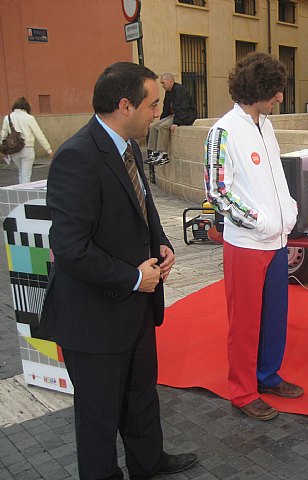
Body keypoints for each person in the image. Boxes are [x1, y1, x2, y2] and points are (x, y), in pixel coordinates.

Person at [39, 62, 197, 479]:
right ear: (125, 105)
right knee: (98, 415)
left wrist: (159, 242)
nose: (156, 113)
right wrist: (132, 277)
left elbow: (141, 207)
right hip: (95, 316)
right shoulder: (77, 157)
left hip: (136, 309)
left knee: (141, 396)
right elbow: (71, 249)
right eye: (152, 104)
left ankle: (149, 462)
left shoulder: (130, 146)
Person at [204, 52, 302, 421]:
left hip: (276, 242)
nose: (280, 97)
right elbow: (216, 190)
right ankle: (243, 392)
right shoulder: (223, 131)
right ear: (259, 89)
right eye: (276, 90)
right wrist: (258, 222)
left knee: (275, 315)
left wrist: (288, 210)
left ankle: (267, 375)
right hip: (247, 244)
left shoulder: (266, 126)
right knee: (245, 322)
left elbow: (276, 177)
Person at [146, 73, 197, 166]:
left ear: (170, 81)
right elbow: (166, 108)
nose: (162, 85)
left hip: (185, 116)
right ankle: (153, 152)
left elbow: (182, 108)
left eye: (163, 83)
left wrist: (177, 122)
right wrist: (162, 118)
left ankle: (163, 154)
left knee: (163, 127)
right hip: (173, 115)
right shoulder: (169, 92)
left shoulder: (180, 90)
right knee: (154, 127)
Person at [1, 97, 54, 183]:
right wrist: (48, 150)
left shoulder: (8, 118)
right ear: (26, 107)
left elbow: (3, 134)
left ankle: (21, 192)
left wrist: (3, 150)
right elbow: (39, 134)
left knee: (21, 173)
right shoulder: (29, 118)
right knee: (26, 174)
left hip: (14, 149)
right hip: (27, 149)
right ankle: (25, 194)